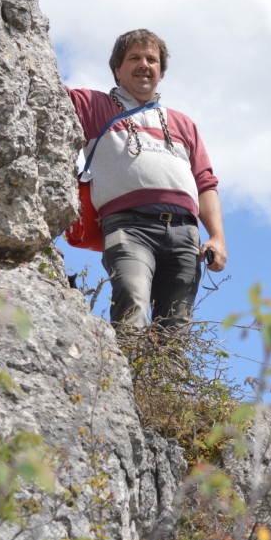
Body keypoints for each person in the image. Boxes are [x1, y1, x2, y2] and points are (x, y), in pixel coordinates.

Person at [67, 29, 227, 332]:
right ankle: (123, 378)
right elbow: (45, 88)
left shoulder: (183, 123)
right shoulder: (92, 105)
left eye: (152, 59)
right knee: (131, 302)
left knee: (176, 327)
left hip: (185, 234)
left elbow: (205, 184)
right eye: (135, 58)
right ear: (117, 69)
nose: (145, 64)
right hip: (128, 226)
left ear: (161, 71)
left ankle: (158, 381)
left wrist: (217, 237)